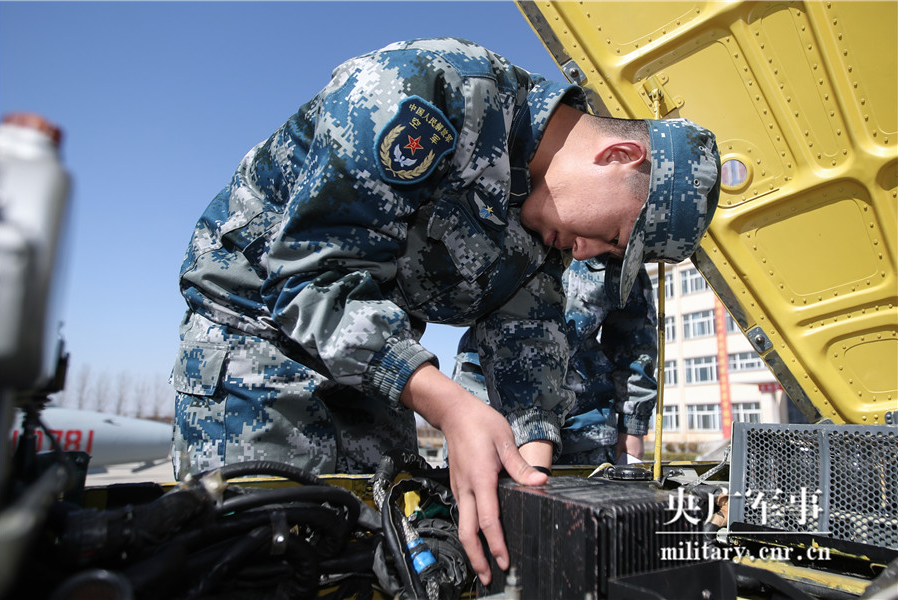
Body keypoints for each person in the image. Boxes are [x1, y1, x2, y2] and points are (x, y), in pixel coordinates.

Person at [170, 37, 721, 584]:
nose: (586, 252)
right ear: (620, 157)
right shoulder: (429, 92)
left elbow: (529, 344)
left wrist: (534, 484)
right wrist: (454, 408)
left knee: (387, 553)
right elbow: (309, 279)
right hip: (255, 335)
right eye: (612, 236)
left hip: (370, 364)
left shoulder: (545, 228)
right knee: (264, 560)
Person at [454, 258, 658, 468]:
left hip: (582, 430)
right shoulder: (500, 230)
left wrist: (633, 426)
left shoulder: (616, 241)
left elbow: (634, 338)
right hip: (486, 415)